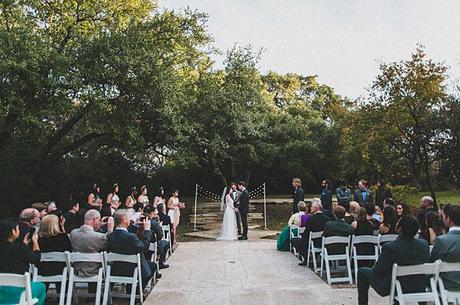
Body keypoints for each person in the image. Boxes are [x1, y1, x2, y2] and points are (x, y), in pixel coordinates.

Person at [357, 215, 429, 305]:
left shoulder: (390, 247)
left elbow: (379, 270)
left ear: (399, 228)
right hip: (418, 285)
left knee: (362, 272)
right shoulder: (424, 244)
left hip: (393, 285)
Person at [0, 219, 46, 305]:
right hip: (17, 291)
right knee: (41, 287)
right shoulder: (20, 248)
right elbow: (36, 259)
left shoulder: (20, 248)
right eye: (17, 229)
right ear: (13, 232)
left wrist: (24, 245)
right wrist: (35, 242)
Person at [107, 210, 158, 288]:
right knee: (153, 266)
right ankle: (136, 291)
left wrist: (135, 225)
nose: (130, 220)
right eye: (128, 218)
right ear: (124, 220)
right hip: (132, 271)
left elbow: (126, 233)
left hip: (114, 270)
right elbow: (144, 248)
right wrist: (147, 230)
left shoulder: (110, 236)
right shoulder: (131, 237)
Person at [70, 210, 114, 279]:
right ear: (94, 220)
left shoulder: (73, 233)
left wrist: (98, 227)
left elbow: (89, 236)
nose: (100, 222)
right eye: (99, 220)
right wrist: (110, 230)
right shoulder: (99, 237)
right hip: (95, 271)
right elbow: (110, 245)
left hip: (77, 270)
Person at [36, 214, 72, 291]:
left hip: (42, 270)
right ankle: (63, 295)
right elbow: (70, 251)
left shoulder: (38, 239)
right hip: (60, 270)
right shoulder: (63, 237)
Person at [430, 204, 460, 291]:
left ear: (448, 219)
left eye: (442, 216)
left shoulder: (442, 241)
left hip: (448, 286)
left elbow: (432, 265)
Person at [294, 200, 330, 266]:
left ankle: (306, 258)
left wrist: (302, 235)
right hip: (324, 242)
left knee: (295, 240)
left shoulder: (311, 219)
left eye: (312, 207)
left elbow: (306, 233)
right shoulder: (327, 219)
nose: (310, 208)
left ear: (316, 208)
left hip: (313, 242)